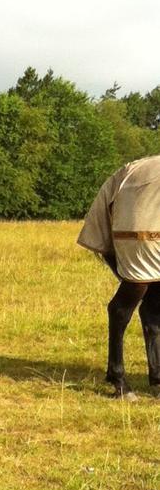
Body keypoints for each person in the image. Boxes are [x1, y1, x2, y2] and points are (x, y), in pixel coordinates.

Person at [78, 154, 160, 398]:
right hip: (146, 227)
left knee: (155, 306)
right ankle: (118, 374)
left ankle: (155, 374)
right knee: (129, 299)